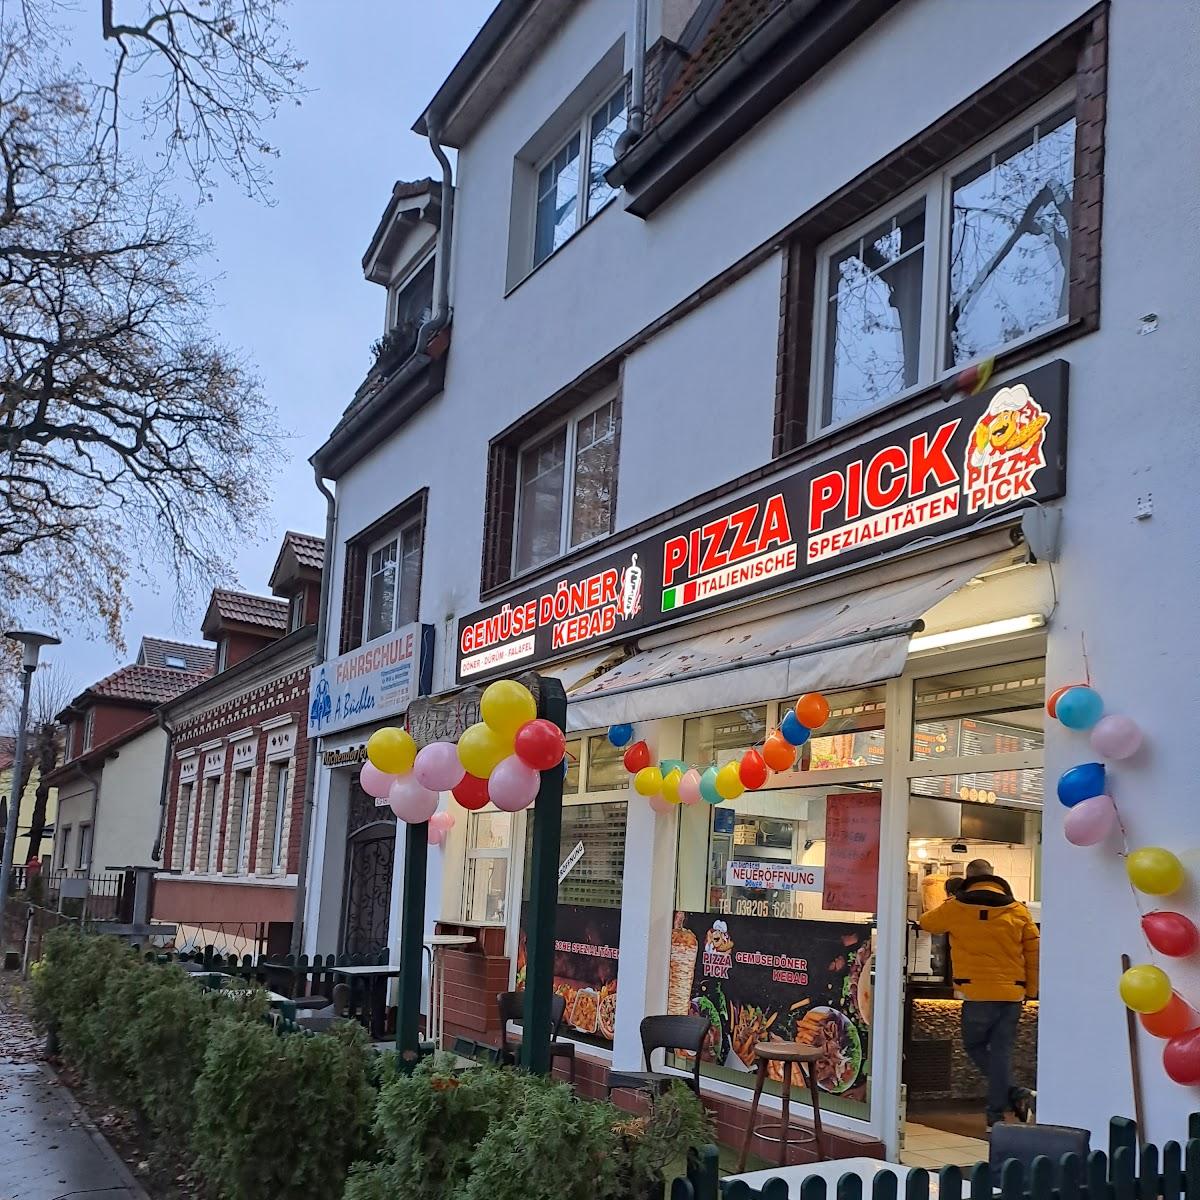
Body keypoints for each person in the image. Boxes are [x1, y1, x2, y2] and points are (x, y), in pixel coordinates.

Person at [919, 858, 1038, 1129]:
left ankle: (1014, 1095)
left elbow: (926, 922)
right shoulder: (1017, 910)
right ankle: (996, 1113)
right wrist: (1030, 990)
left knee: (974, 1046)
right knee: (1001, 1053)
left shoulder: (956, 908)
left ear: (968, 878)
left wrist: (951, 899)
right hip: (1012, 995)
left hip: (975, 992)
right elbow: (1033, 952)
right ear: (993, 876)